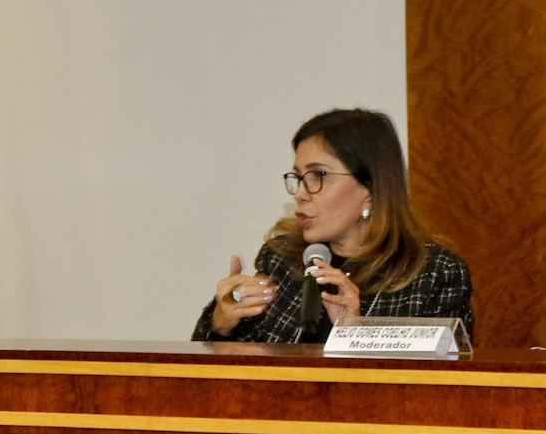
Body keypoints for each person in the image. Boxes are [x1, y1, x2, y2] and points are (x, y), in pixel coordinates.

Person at [194, 108, 474, 344]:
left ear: (370, 188)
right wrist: (221, 324)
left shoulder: (434, 274)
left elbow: (440, 383)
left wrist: (356, 335)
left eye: (319, 175)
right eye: (299, 177)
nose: (300, 193)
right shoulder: (281, 259)